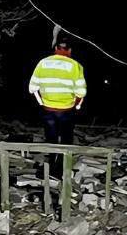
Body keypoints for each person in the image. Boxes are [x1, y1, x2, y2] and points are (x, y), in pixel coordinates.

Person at [27, 38, 87, 178]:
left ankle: (51, 166)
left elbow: (32, 88)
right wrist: (76, 103)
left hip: (48, 109)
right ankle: (62, 168)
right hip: (67, 109)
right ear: (70, 50)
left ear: (55, 49)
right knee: (66, 139)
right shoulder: (75, 65)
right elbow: (81, 92)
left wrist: (42, 102)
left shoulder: (42, 63)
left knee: (51, 139)